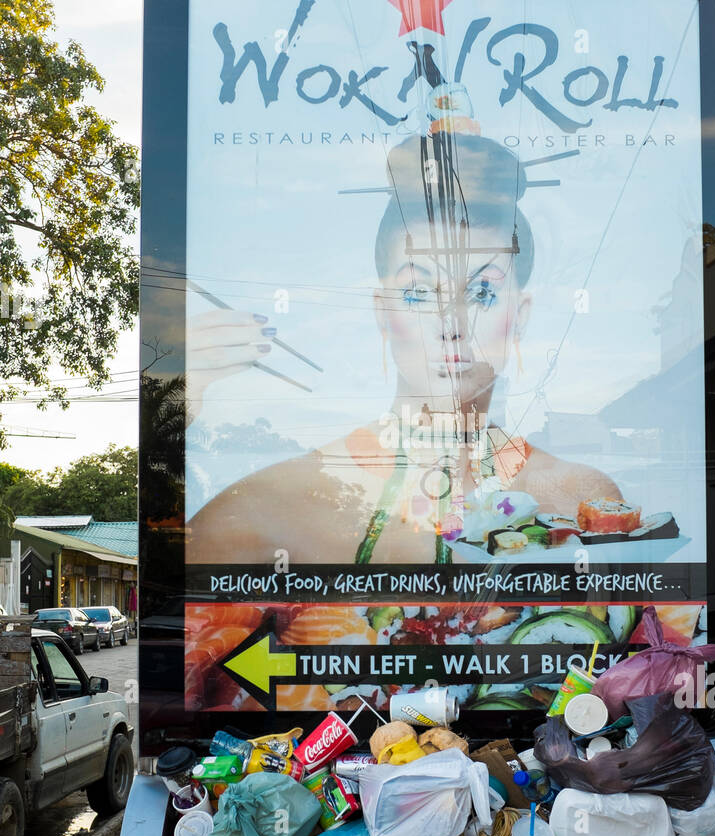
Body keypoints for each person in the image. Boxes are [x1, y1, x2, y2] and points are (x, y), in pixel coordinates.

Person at [186, 133, 621, 565]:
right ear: (382, 312)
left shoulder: (581, 499)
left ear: (520, 316)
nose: (453, 324)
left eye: (482, 292)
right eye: (418, 293)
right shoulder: (266, 508)